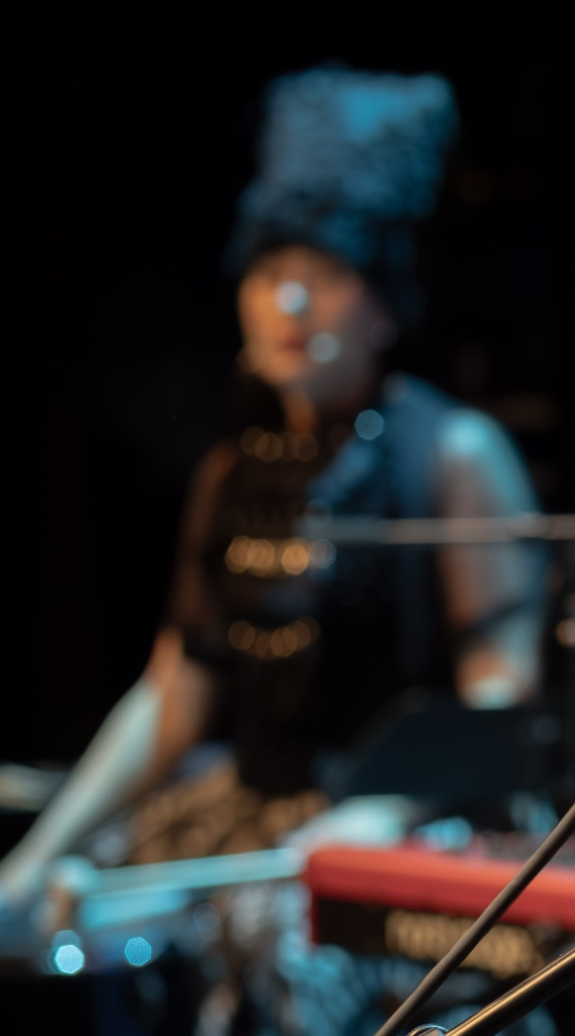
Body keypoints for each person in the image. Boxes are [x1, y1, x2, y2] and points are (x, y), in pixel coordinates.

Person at [0, 65, 542, 909]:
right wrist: (35, 856)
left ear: (383, 305)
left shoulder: (453, 451)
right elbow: (175, 693)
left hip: (401, 830)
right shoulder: (231, 470)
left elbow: (499, 692)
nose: (289, 301)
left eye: (325, 274)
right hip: (255, 824)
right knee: (82, 915)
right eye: (267, 273)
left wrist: (391, 809)